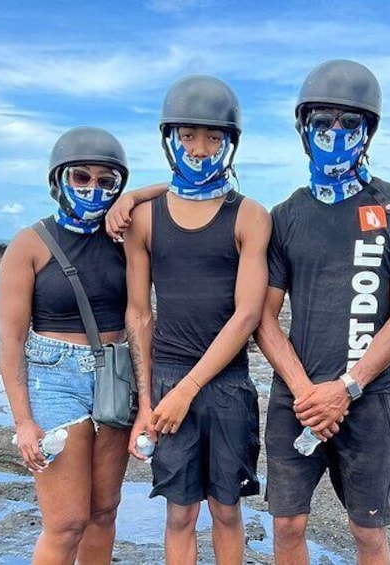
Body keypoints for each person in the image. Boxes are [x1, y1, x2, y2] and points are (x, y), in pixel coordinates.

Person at [254, 59, 390, 565]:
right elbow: (264, 318)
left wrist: (346, 388)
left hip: (369, 398)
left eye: (349, 122)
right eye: (322, 122)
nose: (335, 133)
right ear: (303, 130)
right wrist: (308, 393)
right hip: (297, 397)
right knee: (287, 525)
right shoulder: (285, 216)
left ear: (368, 131)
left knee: (367, 531)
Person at [0, 125, 166, 565]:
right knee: (67, 521)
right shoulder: (29, 244)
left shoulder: (124, 237)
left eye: (107, 180)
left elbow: (182, 190)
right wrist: (23, 422)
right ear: (59, 180)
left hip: (116, 374)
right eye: (82, 177)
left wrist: (132, 198)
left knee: (104, 512)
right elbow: (11, 343)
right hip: (55, 378)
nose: (94, 188)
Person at [123, 75, 271, 565]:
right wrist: (147, 402)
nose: (201, 149)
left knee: (227, 512)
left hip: (227, 384)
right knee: (179, 515)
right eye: (188, 136)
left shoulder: (249, 215)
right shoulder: (144, 218)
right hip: (164, 378)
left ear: (230, 142)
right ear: (171, 140)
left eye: (214, 137)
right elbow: (139, 313)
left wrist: (188, 390)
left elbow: (248, 313)